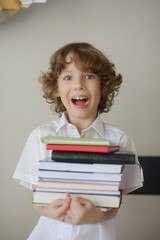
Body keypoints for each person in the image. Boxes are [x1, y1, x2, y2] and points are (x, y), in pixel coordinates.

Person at [13, 42, 143, 240]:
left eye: (89, 76)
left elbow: (115, 204)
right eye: (68, 77)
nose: (79, 84)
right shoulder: (40, 137)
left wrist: (96, 216)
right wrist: (50, 212)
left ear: (104, 86)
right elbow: (37, 199)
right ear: (56, 88)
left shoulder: (121, 141)